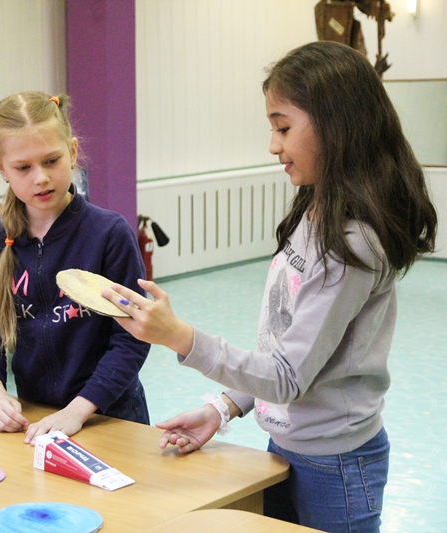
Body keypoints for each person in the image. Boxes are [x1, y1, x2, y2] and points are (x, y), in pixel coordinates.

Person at [103, 41, 437, 532]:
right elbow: (284, 346)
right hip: (285, 444)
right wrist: (224, 406)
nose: (273, 145)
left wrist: (179, 336)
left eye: (283, 128)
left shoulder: (355, 243)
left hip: (337, 466)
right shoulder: (314, 208)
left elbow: (286, 376)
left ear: (337, 126)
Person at [0, 91, 150, 444]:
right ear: (1, 168)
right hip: (35, 417)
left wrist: (78, 411)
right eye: (23, 168)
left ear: (73, 152)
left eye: (51, 161)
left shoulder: (109, 234)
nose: (40, 178)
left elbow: (131, 339)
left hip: (110, 416)